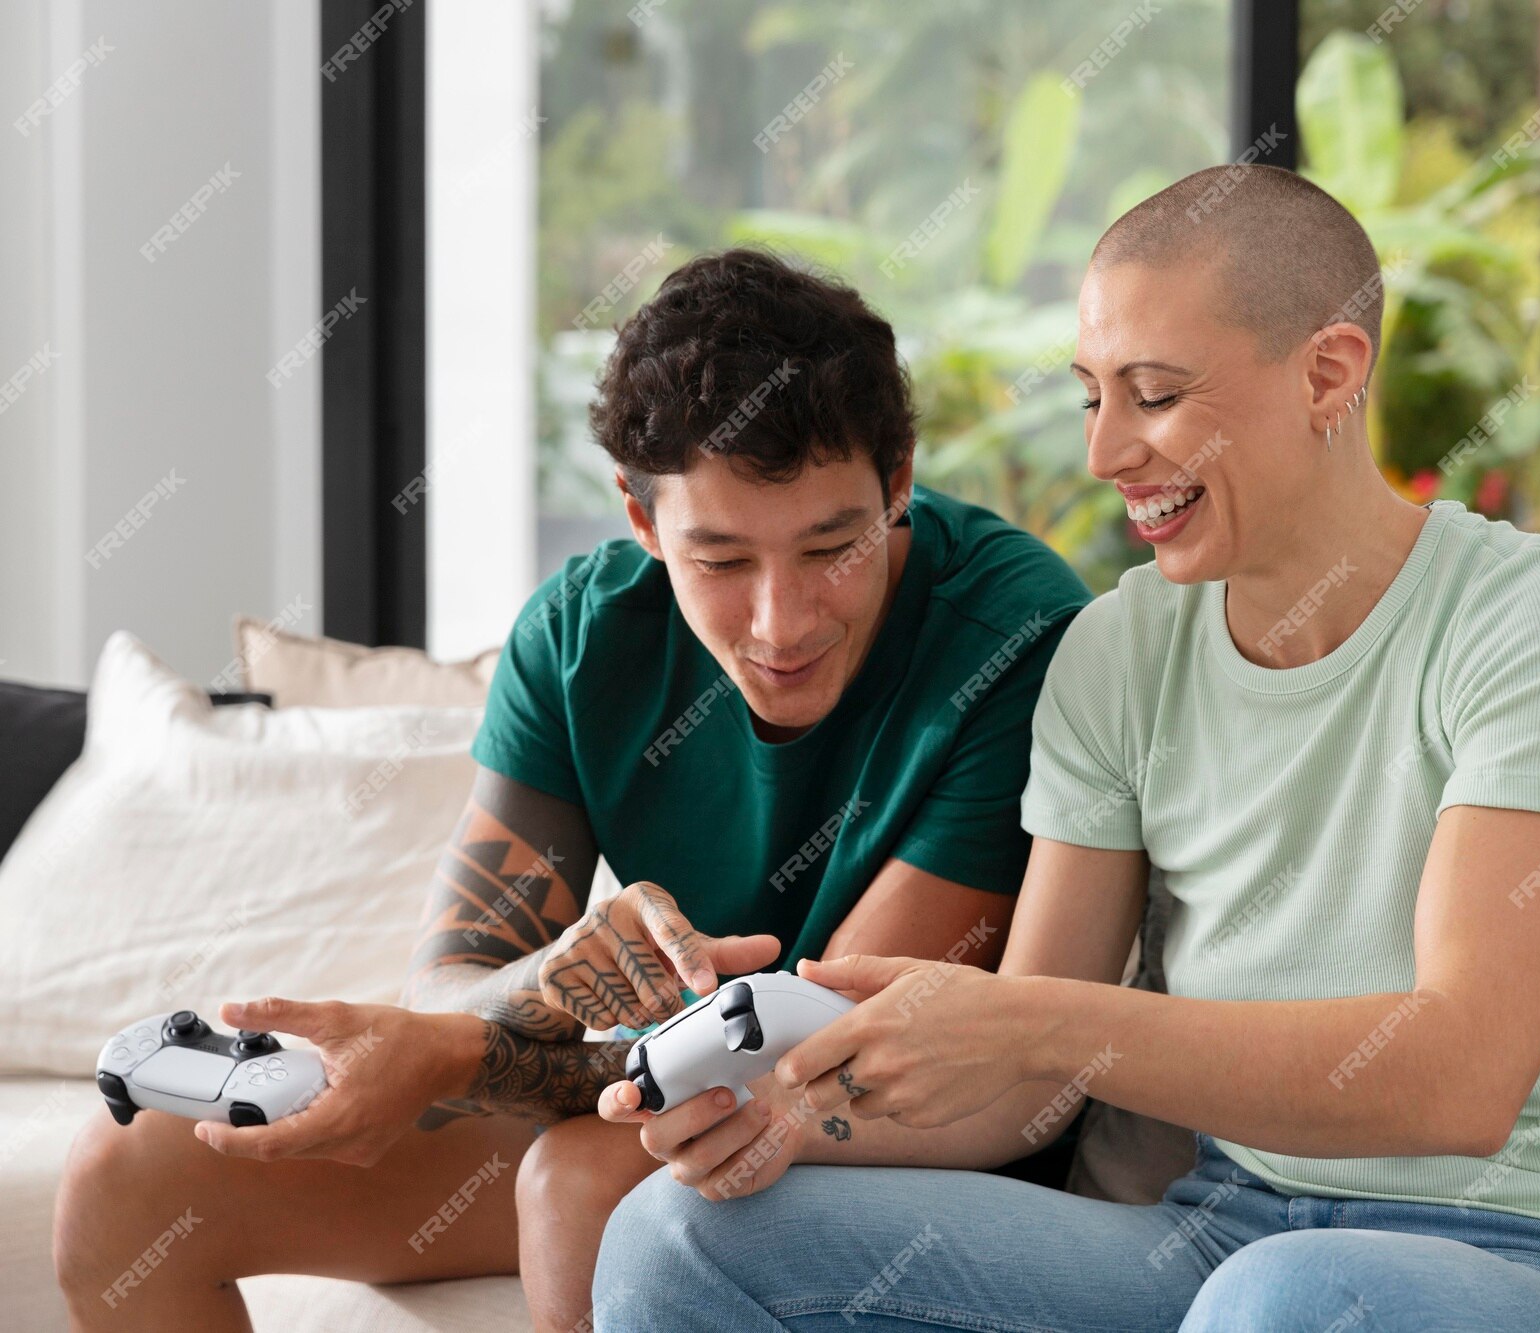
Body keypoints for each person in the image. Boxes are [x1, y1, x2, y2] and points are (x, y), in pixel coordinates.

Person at [585, 167, 1540, 1333]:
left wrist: (1032, 1020)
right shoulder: (1116, 652)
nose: (1107, 453)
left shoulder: (1532, 619)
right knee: (676, 1240)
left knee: (1280, 1304)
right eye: (1091, 396)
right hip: (1217, 1236)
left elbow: (1461, 1076)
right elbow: (1027, 1084)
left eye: (1152, 395)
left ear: (1328, 373)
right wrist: (790, 1120)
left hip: (1515, 1260)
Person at [52, 249, 1089, 1333]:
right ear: (643, 525)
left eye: (832, 546)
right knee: (131, 1174)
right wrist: (551, 977)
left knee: (585, 1182)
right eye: (721, 561)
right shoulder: (583, 635)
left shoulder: (1012, 638)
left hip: (881, 1136)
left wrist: (497, 1032)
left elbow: (825, 1056)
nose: (782, 623)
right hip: (645, 1096)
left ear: (899, 480)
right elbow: (455, 981)